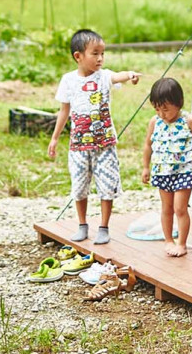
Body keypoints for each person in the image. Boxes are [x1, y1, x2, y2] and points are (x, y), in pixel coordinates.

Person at [48, 29, 140, 245]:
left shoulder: (105, 76)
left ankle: (104, 227)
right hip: (78, 146)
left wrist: (130, 75)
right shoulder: (68, 80)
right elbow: (64, 111)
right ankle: (82, 225)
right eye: (95, 53)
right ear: (78, 56)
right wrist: (54, 138)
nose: (100, 58)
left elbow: (119, 76)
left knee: (107, 186)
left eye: (102, 54)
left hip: (105, 144)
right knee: (79, 187)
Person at [140, 78, 192, 257]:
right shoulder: (155, 122)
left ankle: (182, 243)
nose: (162, 114)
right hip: (162, 171)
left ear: (178, 103)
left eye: (165, 109)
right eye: (157, 109)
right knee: (166, 208)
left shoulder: (189, 121)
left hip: (184, 171)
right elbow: (148, 145)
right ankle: (168, 240)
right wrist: (146, 167)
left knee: (180, 208)